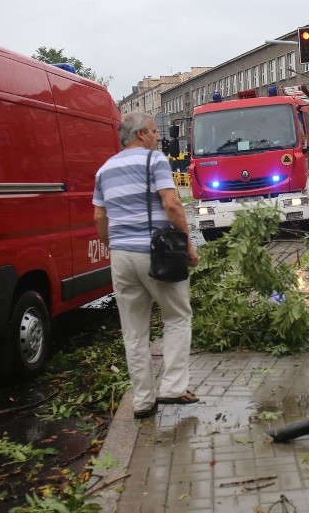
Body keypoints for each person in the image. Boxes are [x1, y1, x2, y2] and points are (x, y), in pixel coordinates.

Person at [93, 112, 200, 419]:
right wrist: (188, 246)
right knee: (177, 316)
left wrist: (112, 245)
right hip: (158, 252)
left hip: (121, 257)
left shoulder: (104, 169)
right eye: (154, 131)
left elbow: (99, 218)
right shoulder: (154, 161)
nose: (158, 137)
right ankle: (172, 387)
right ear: (140, 134)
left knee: (133, 331)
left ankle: (142, 401)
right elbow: (171, 204)